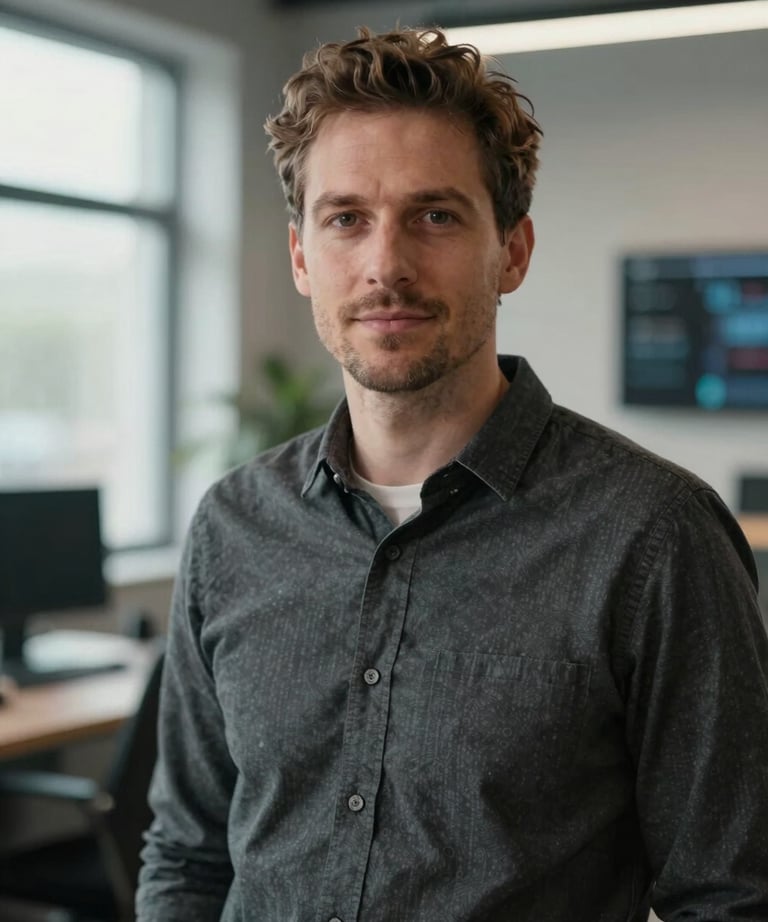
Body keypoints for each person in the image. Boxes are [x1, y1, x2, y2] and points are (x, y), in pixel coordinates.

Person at [136, 26, 768, 922]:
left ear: (511, 250)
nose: (386, 265)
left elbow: (732, 896)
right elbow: (189, 855)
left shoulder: (654, 535)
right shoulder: (233, 526)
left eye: (435, 215)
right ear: (302, 257)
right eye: (346, 218)